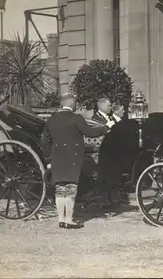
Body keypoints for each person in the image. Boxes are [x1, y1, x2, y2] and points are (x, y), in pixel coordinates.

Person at [41, 93, 114, 229]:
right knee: (70, 188)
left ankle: (61, 219)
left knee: (60, 189)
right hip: (72, 158)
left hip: (56, 158)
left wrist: (48, 159)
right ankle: (69, 219)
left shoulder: (52, 120)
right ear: (72, 104)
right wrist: (106, 127)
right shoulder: (76, 118)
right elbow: (90, 132)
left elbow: (45, 141)